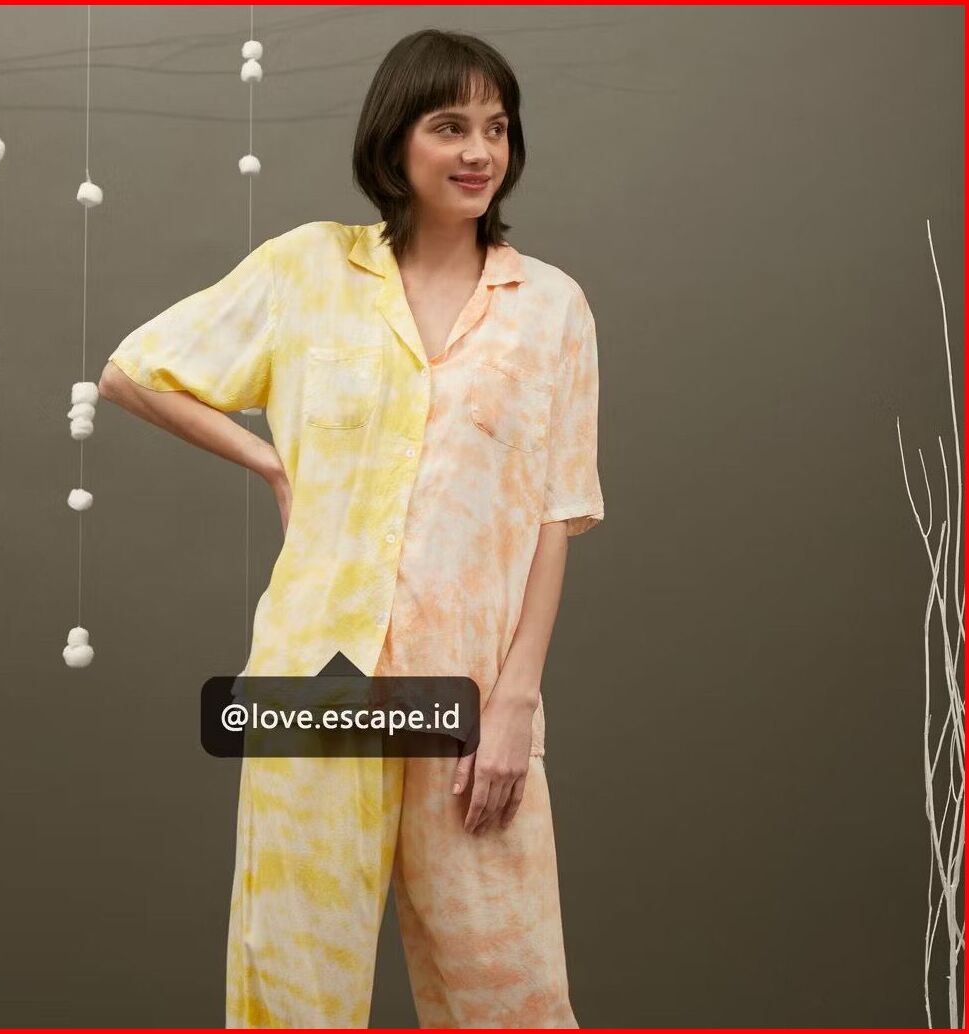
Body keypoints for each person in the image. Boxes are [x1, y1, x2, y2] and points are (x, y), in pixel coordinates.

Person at [100, 28, 604, 1029]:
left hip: (469, 696)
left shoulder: (549, 307)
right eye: (449, 125)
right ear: (395, 138)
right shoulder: (308, 270)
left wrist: (515, 699)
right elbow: (132, 372)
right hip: (316, 679)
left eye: (497, 128)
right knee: (294, 988)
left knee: (507, 992)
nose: (479, 151)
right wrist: (270, 460)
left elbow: (558, 510)